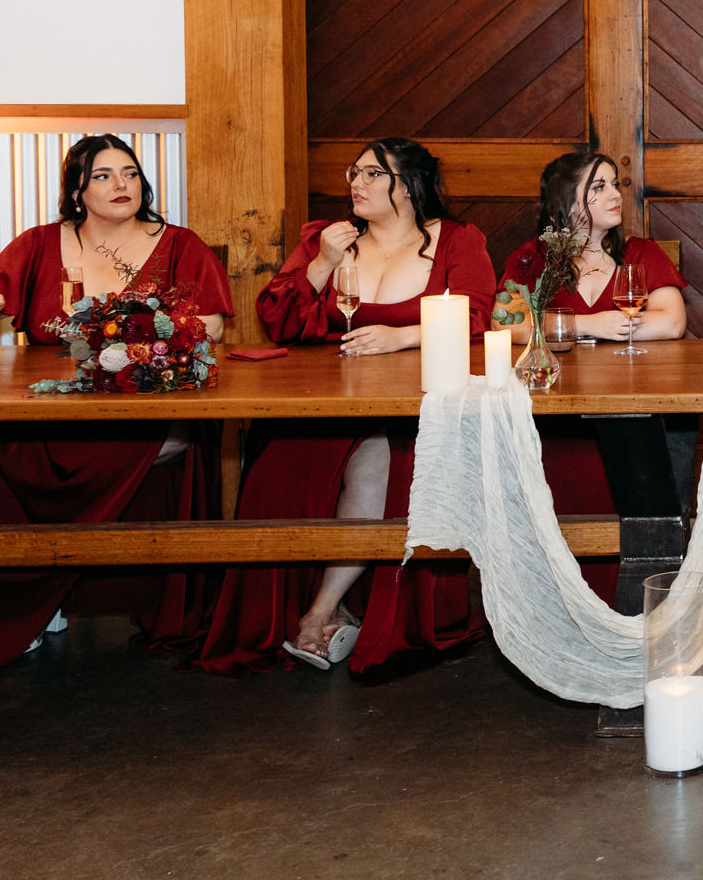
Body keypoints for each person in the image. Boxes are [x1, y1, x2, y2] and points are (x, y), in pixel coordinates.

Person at [190, 139, 495, 675]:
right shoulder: (326, 239)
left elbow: (476, 316)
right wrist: (323, 263)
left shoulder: (456, 240)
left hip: (417, 405)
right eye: (354, 172)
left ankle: (321, 611)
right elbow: (278, 322)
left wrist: (404, 336)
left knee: (379, 457)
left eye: (373, 173)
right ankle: (300, 609)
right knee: (278, 467)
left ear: (411, 184)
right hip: (327, 399)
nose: (357, 182)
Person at [0, 135, 232, 667]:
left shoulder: (179, 244)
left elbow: (214, 325)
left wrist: (139, 338)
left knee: (147, 444)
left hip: (146, 404)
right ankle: (33, 598)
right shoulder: (37, 244)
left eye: (129, 173)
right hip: (49, 408)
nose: (121, 184)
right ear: (76, 190)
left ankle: (45, 594)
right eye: (102, 176)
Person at [501, 151, 693, 602]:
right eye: (598, 187)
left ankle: (640, 597)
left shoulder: (639, 253)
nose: (615, 195)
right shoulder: (534, 258)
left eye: (615, 185)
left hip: (635, 404)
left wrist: (585, 326)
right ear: (566, 200)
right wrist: (589, 325)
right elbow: (506, 323)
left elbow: (671, 321)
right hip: (555, 409)